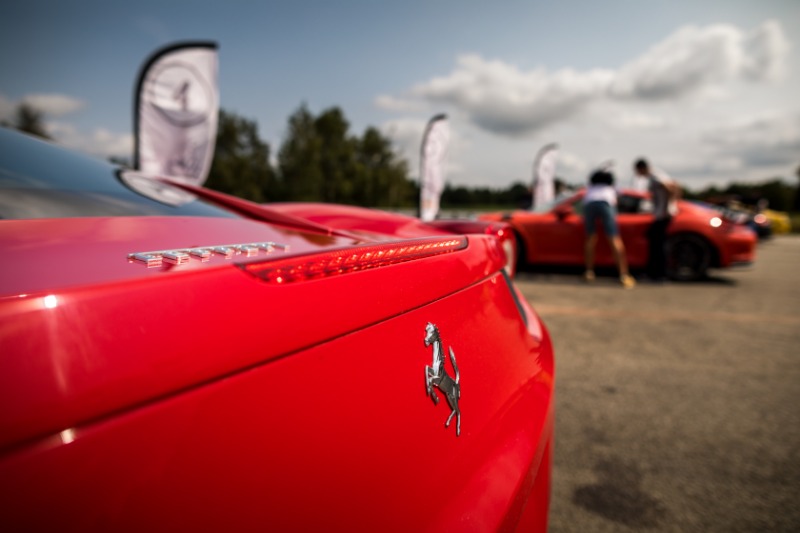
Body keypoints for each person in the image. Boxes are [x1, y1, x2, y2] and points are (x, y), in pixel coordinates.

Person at [583, 168, 635, 288]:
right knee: (613, 238)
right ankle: (623, 275)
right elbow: (623, 195)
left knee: (590, 238)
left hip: (590, 205)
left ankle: (589, 272)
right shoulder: (611, 188)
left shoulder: (590, 189)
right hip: (606, 204)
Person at [633, 158, 680, 281]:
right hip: (661, 213)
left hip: (662, 215)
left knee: (658, 245)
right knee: (655, 242)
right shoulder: (656, 175)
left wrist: (668, 207)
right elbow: (675, 186)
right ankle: (655, 273)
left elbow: (671, 188)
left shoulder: (655, 176)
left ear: (641, 168)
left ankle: (659, 274)